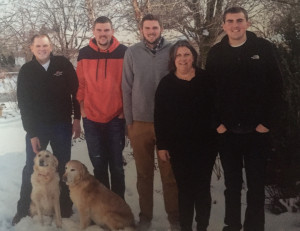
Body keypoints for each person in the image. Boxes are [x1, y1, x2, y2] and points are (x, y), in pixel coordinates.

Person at [206, 7, 283, 231]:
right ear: (224, 26)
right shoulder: (216, 53)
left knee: (257, 185)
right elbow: (208, 92)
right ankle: (232, 225)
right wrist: (217, 124)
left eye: (239, 20)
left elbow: (277, 87)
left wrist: (267, 123)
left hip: (257, 132)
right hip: (227, 132)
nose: (235, 25)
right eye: (230, 21)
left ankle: (254, 226)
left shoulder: (263, 49)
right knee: (232, 185)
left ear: (247, 23)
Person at [12, 34, 81, 225]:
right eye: (38, 46)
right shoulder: (27, 70)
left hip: (61, 125)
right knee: (30, 167)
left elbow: (77, 92)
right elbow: (24, 104)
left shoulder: (62, 64)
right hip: (38, 127)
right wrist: (31, 133)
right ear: (31, 48)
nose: (42, 49)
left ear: (51, 47)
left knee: (64, 164)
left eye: (45, 45)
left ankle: (65, 207)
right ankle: (24, 207)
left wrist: (77, 118)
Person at [122, 14, 179, 230]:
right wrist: (129, 121)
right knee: (144, 173)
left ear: (161, 28)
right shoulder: (132, 52)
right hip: (140, 123)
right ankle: (145, 216)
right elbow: (126, 87)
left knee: (170, 174)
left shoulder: (172, 50)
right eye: (147, 28)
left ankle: (174, 216)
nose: (151, 31)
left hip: (168, 123)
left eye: (155, 27)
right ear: (141, 30)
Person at [154, 40, 217, 231]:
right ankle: (186, 227)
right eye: (179, 55)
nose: (183, 59)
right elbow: (160, 116)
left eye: (187, 54)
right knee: (185, 190)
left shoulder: (206, 79)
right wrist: (162, 145)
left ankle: (202, 226)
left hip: (206, 145)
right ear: (173, 59)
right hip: (178, 146)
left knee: (202, 188)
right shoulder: (166, 84)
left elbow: (216, 109)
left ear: (193, 57)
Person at [76, 16, 127, 199]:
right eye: (99, 30)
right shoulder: (84, 53)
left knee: (116, 167)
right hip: (91, 119)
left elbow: (128, 85)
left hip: (115, 118)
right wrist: (81, 107)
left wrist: (124, 111)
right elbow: (80, 84)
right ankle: (104, 208)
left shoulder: (124, 52)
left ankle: (119, 209)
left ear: (112, 31)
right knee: (99, 166)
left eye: (106, 30)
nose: (103, 34)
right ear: (93, 31)